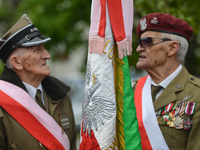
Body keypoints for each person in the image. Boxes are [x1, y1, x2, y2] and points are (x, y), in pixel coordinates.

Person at [0, 14, 76, 150]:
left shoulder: (61, 96)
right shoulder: (2, 103)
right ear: (17, 62)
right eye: (37, 50)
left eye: (44, 48)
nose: (47, 55)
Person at [132, 13, 200, 150]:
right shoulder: (132, 90)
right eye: (139, 43)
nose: (138, 48)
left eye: (146, 42)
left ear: (172, 48)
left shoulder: (197, 95)